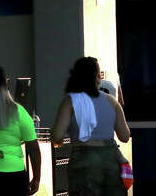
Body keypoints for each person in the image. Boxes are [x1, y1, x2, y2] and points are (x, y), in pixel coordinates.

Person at [50, 57, 132, 196]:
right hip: (111, 161)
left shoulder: (70, 102)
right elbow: (124, 136)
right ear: (97, 78)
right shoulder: (112, 102)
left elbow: (57, 136)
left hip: (83, 162)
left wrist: (60, 140)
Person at [0, 65, 40, 196]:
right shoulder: (19, 112)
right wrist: (37, 178)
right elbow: (33, 149)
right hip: (14, 174)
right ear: (6, 85)